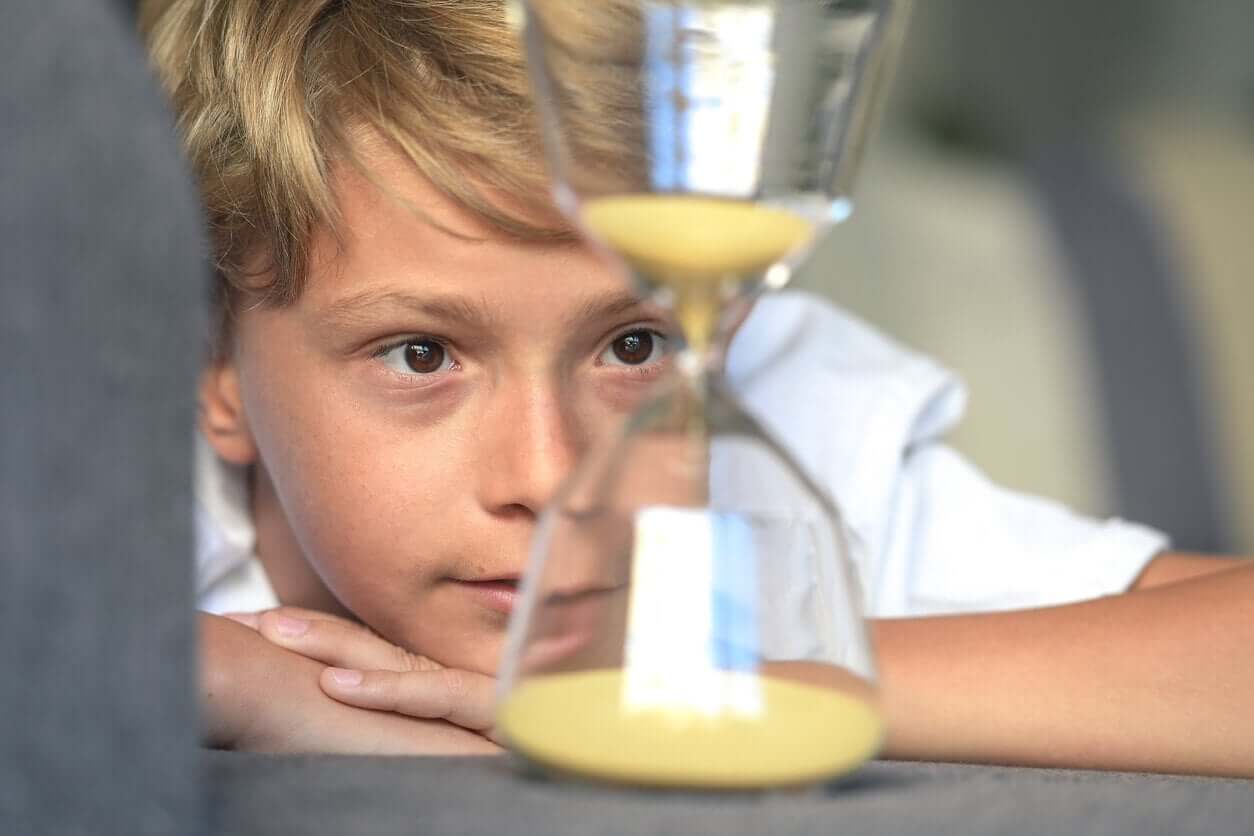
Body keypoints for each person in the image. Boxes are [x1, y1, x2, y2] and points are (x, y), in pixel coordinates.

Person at [140, 0, 1253, 773]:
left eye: (633, 346)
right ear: (213, 370)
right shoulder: (122, 500)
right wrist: (234, 685)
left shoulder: (792, 426)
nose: (554, 477)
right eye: (421, 356)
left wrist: (731, 685)